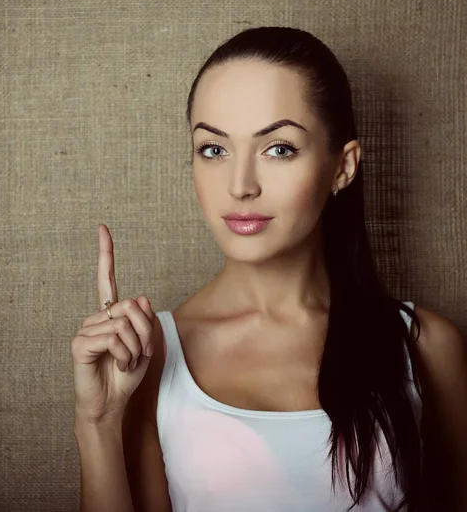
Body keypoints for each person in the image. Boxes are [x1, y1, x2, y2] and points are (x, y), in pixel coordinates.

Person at [70, 26, 467, 512]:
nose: (240, 186)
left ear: (342, 167)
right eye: (214, 149)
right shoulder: (149, 356)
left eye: (278, 149)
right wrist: (99, 423)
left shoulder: (425, 346)